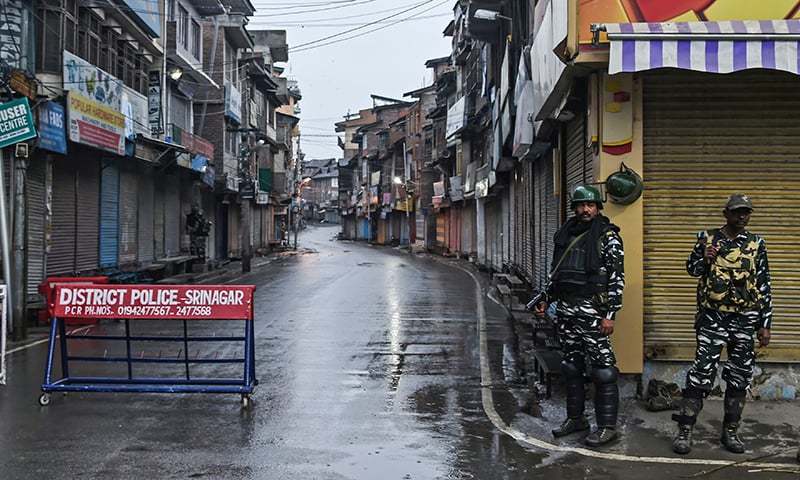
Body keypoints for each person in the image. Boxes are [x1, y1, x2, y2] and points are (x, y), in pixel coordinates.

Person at [672, 194, 772, 455]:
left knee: (739, 377)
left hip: (745, 318)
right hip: (712, 317)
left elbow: (764, 285)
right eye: (738, 211)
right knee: (701, 373)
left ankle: (731, 431)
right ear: (725, 213)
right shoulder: (706, 238)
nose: (742, 216)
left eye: (746, 212)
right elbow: (691, 270)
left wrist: (765, 323)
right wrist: (704, 257)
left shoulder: (756, 243)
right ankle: (685, 429)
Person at [530, 185, 625, 447]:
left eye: (591, 205)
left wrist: (610, 315)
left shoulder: (608, 237)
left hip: (593, 312)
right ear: (575, 208)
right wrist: (546, 299)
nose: (586, 210)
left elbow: (617, 280)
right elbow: (557, 274)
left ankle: (607, 426)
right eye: (581, 205)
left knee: (603, 370)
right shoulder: (565, 234)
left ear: (597, 208)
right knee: (571, 366)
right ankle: (576, 419)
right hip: (567, 311)